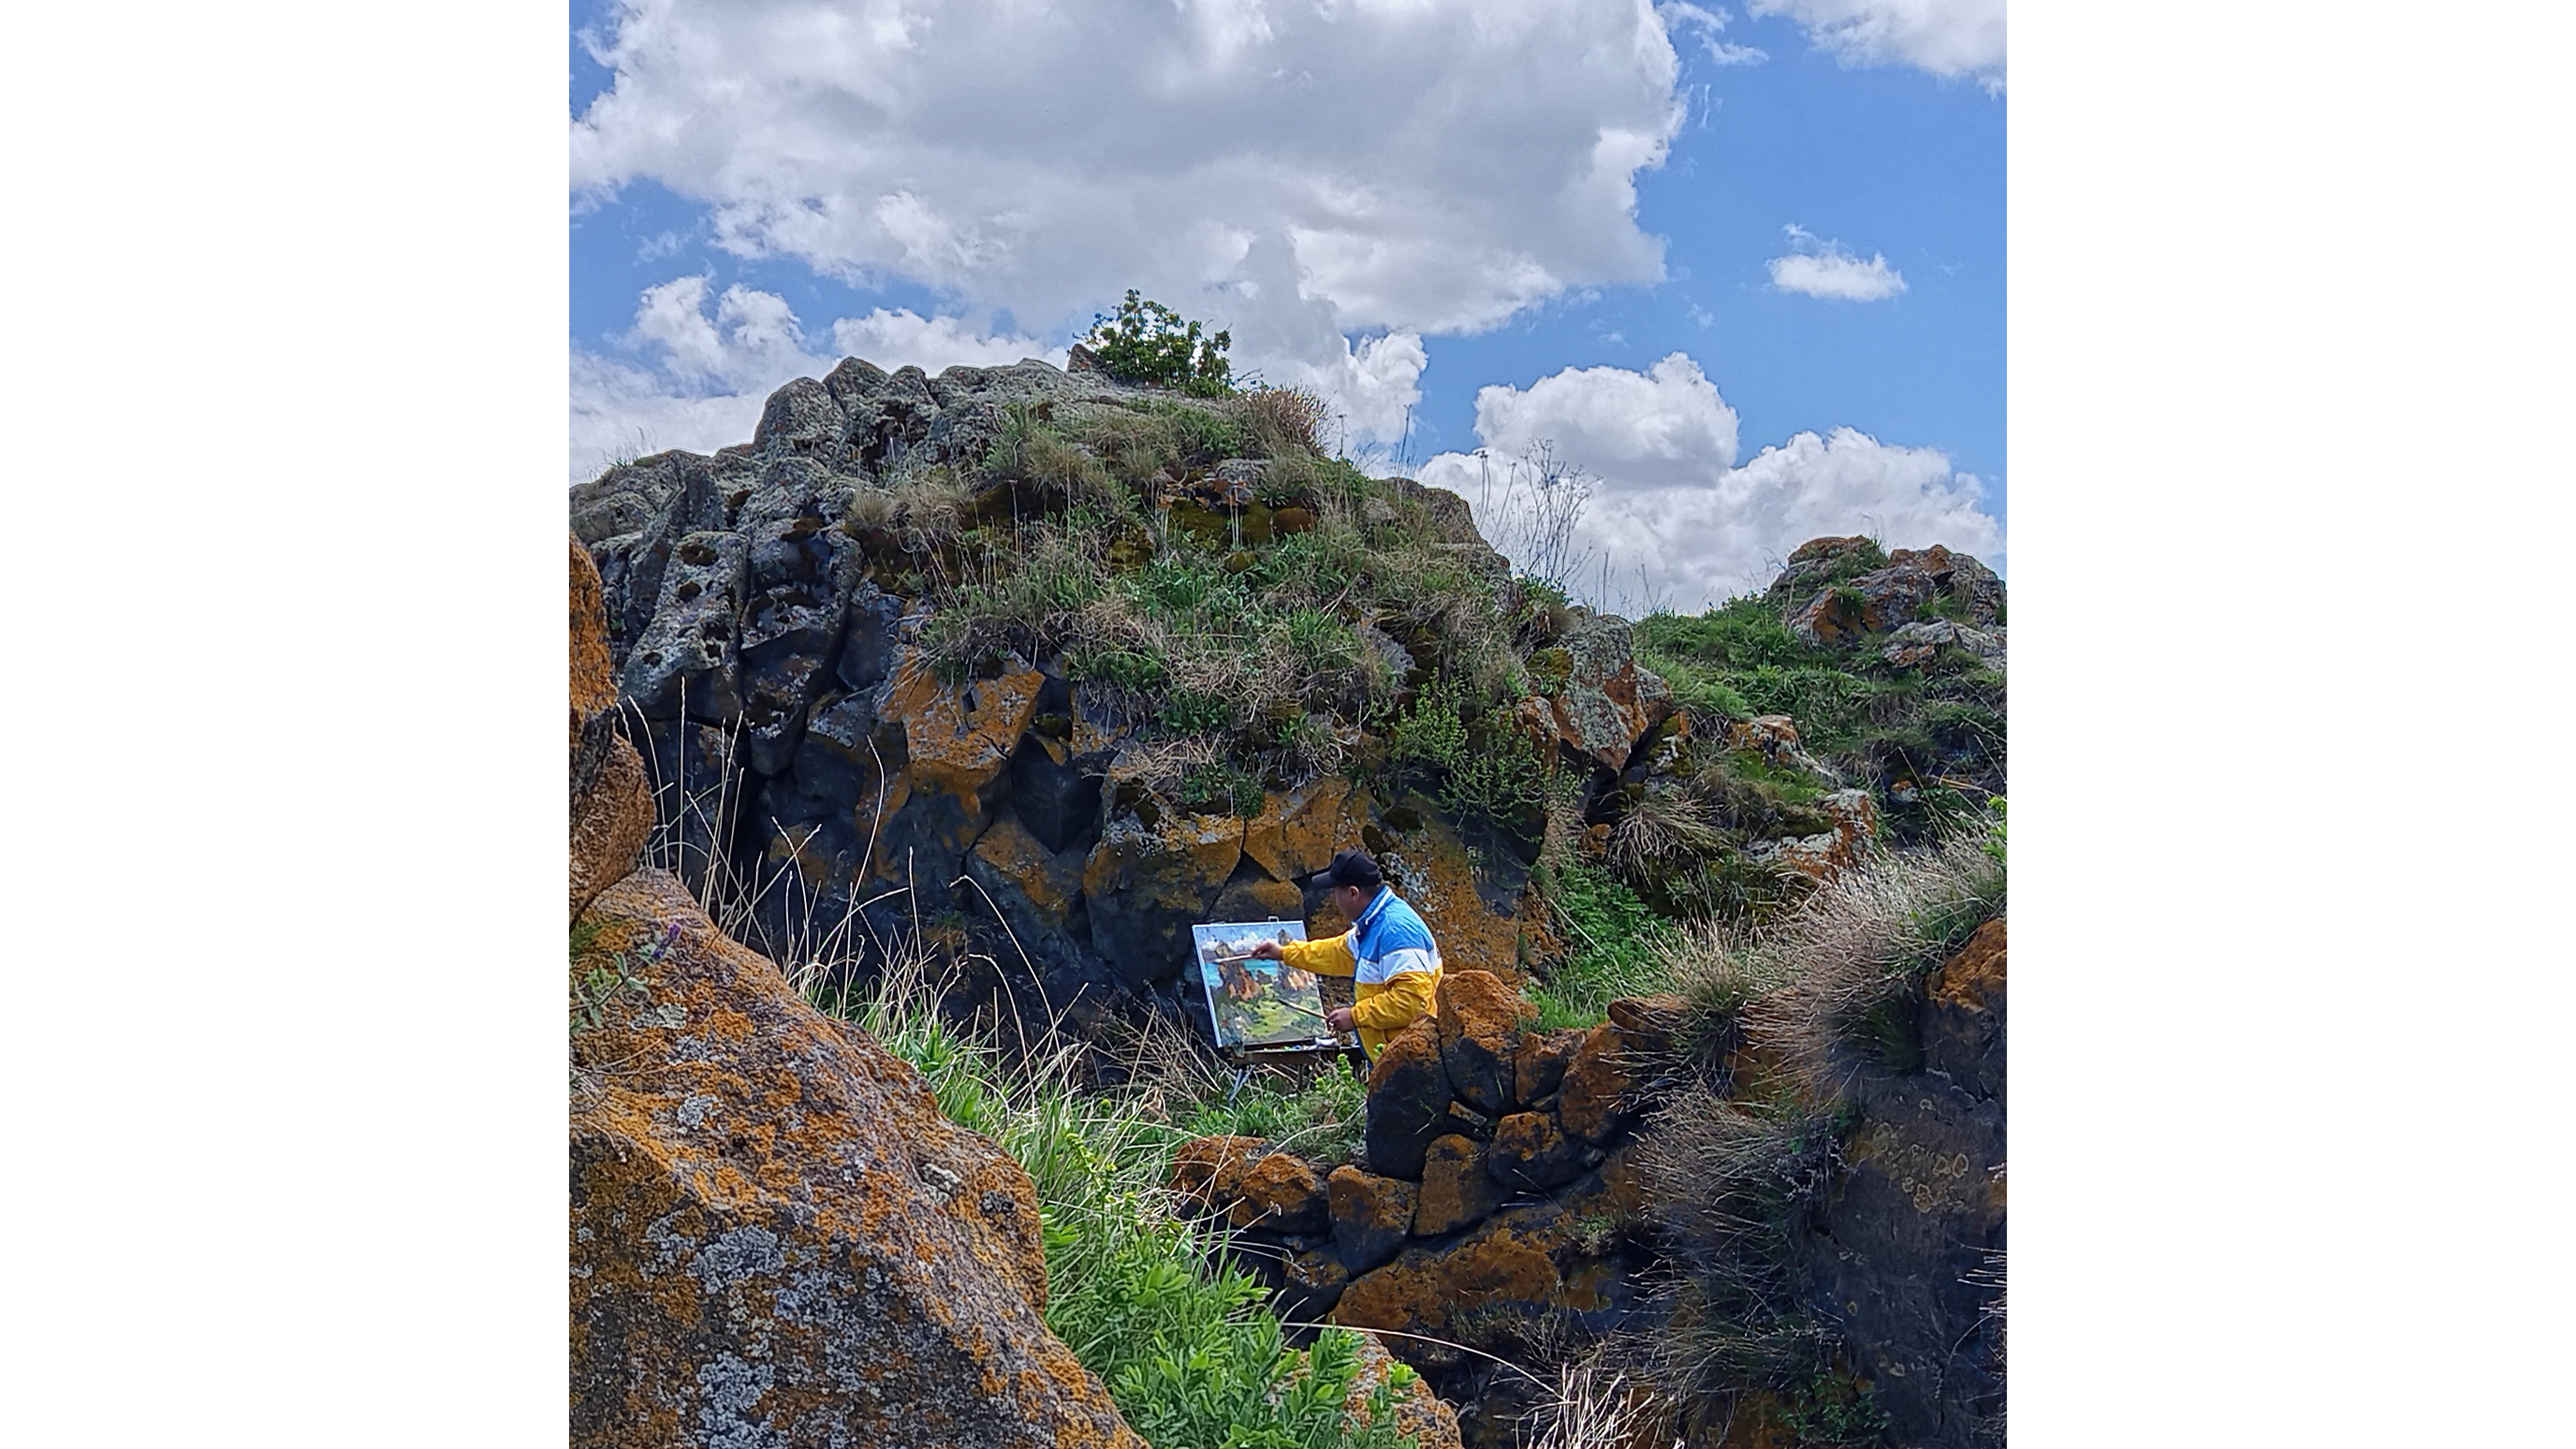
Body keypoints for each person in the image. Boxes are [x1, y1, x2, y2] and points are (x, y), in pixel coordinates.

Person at [1250, 848, 1442, 1064]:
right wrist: (1284, 953)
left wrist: (1355, 1016)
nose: (1334, 899)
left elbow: (1413, 1002)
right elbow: (1337, 953)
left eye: (1335, 892)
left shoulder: (1395, 931)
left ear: (1353, 893)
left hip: (1412, 1062)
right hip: (1395, 1058)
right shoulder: (1373, 923)